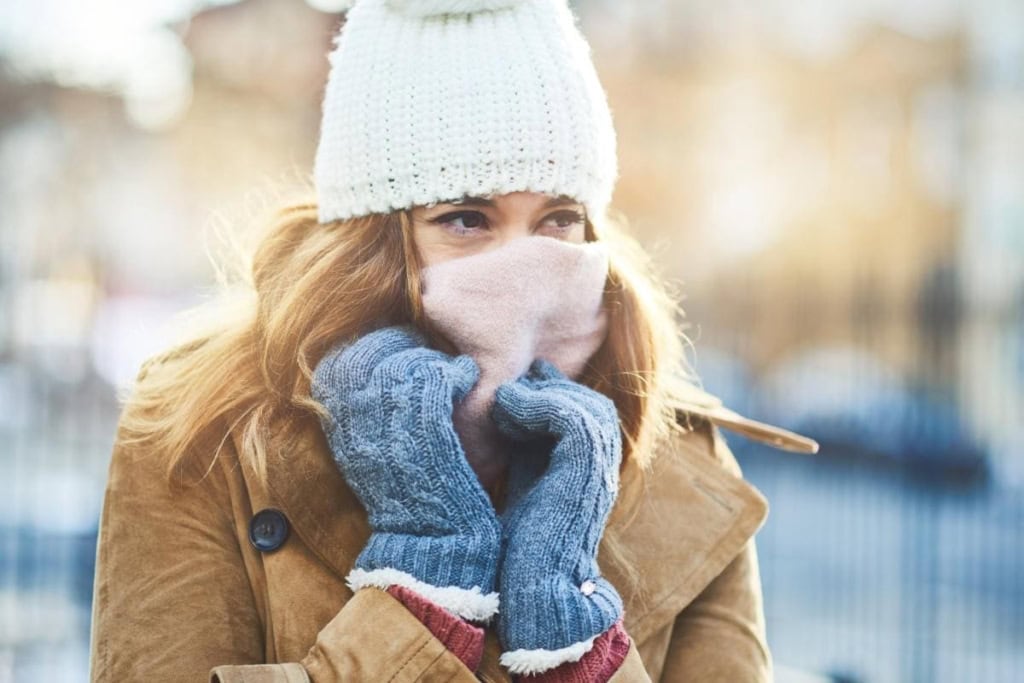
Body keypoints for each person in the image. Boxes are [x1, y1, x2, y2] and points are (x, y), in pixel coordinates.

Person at [87, 0, 819, 681]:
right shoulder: (203, 433)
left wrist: (575, 642)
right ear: (372, 237)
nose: (527, 265)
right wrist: (422, 594)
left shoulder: (680, 460)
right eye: (467, 218)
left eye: (559, 217)